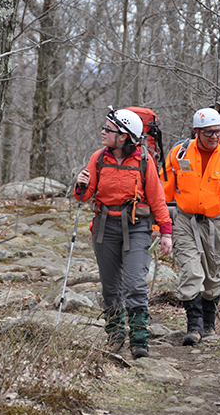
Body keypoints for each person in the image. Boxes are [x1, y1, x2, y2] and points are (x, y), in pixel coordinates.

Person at [74, 109, 173, 359]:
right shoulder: (98, 158)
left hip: (137, 227)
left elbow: (158, 198)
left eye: (109, 130)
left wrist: (165, 232)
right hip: (104, 227)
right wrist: (80, 185)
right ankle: (115, 336)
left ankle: (140, 340)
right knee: (110, 287)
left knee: (135, 284)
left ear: (124, 137)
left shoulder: (144, 161)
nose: (103, 133)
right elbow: (85, 196)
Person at [161, 108, 220, 346]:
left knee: (213, 274)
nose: (215, 137)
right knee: (191, 271)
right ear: (197, 132)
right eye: (209, 133)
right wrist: (159, 225)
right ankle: (194, 327)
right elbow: (164, 191)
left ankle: (209, 324)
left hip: (216, 223)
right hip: (184, 220)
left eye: (218, 132)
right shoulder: (179, 152)